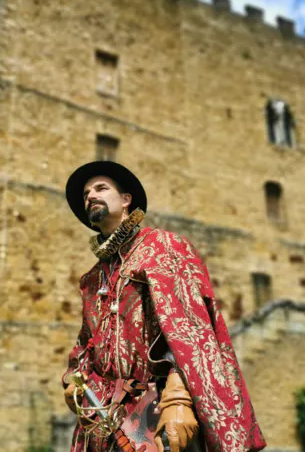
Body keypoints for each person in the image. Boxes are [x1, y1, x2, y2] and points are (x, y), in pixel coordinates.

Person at [62, 161, 266, 452]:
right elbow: (87, 339)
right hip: (102, 416)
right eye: (86, 193)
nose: (91, 196)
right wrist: (74, 377)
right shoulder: (93, 277)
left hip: (154, 411)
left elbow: (191, 331)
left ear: (126, 199)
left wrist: (178, 398)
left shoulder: (162, 247)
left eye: (101, 188)